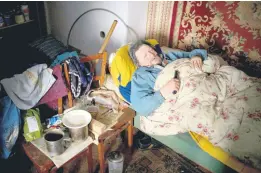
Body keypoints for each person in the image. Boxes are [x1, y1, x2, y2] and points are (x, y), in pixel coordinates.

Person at [129, 40, 207, 116]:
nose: (152, 55)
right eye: (145, 56)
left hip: (200, 82)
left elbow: (191, 54)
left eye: (150, 50)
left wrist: (197, 56)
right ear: (139, 64)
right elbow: (140, 107)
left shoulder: (168, 56)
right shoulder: (139, 77)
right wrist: (163, 92)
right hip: (183, 101)